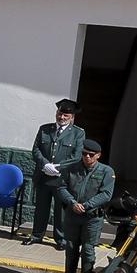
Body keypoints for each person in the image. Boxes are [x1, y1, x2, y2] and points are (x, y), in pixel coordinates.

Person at [28, 100, 86, 249]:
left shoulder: (78, 133)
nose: (62, 117)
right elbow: (36, 150)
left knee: (61, 210)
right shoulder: (45, 129)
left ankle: (61, 239)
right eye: (60, 114)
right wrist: (45, 164)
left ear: (72, 117)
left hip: (62, 178)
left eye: (66, 115)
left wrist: (58, 167)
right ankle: (36, 235)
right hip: (44, 175)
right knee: (41, 207)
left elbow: (77, 156)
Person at [61, 140, 115, 273]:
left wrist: (86, 206)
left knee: (88, 249)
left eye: (91, 155)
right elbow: (62, 187)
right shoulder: (72, 168)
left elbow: (106, 194)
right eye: (84, 154)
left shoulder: (106, 171)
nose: (87, 157)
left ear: (98, 155)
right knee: (71, 248)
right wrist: (72, 203)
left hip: (92, 217)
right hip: (73, 215)